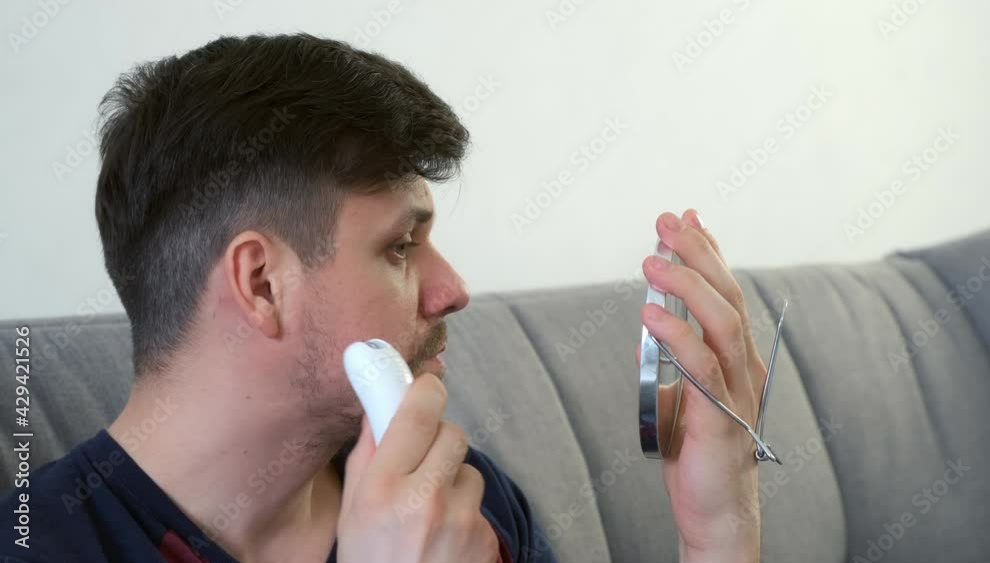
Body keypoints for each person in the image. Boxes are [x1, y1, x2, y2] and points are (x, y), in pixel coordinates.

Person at [0, 33, 763, 563]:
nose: (453, 289)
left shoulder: (462, 501)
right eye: (401, 245)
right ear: (262, 284)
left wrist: (719, 527)